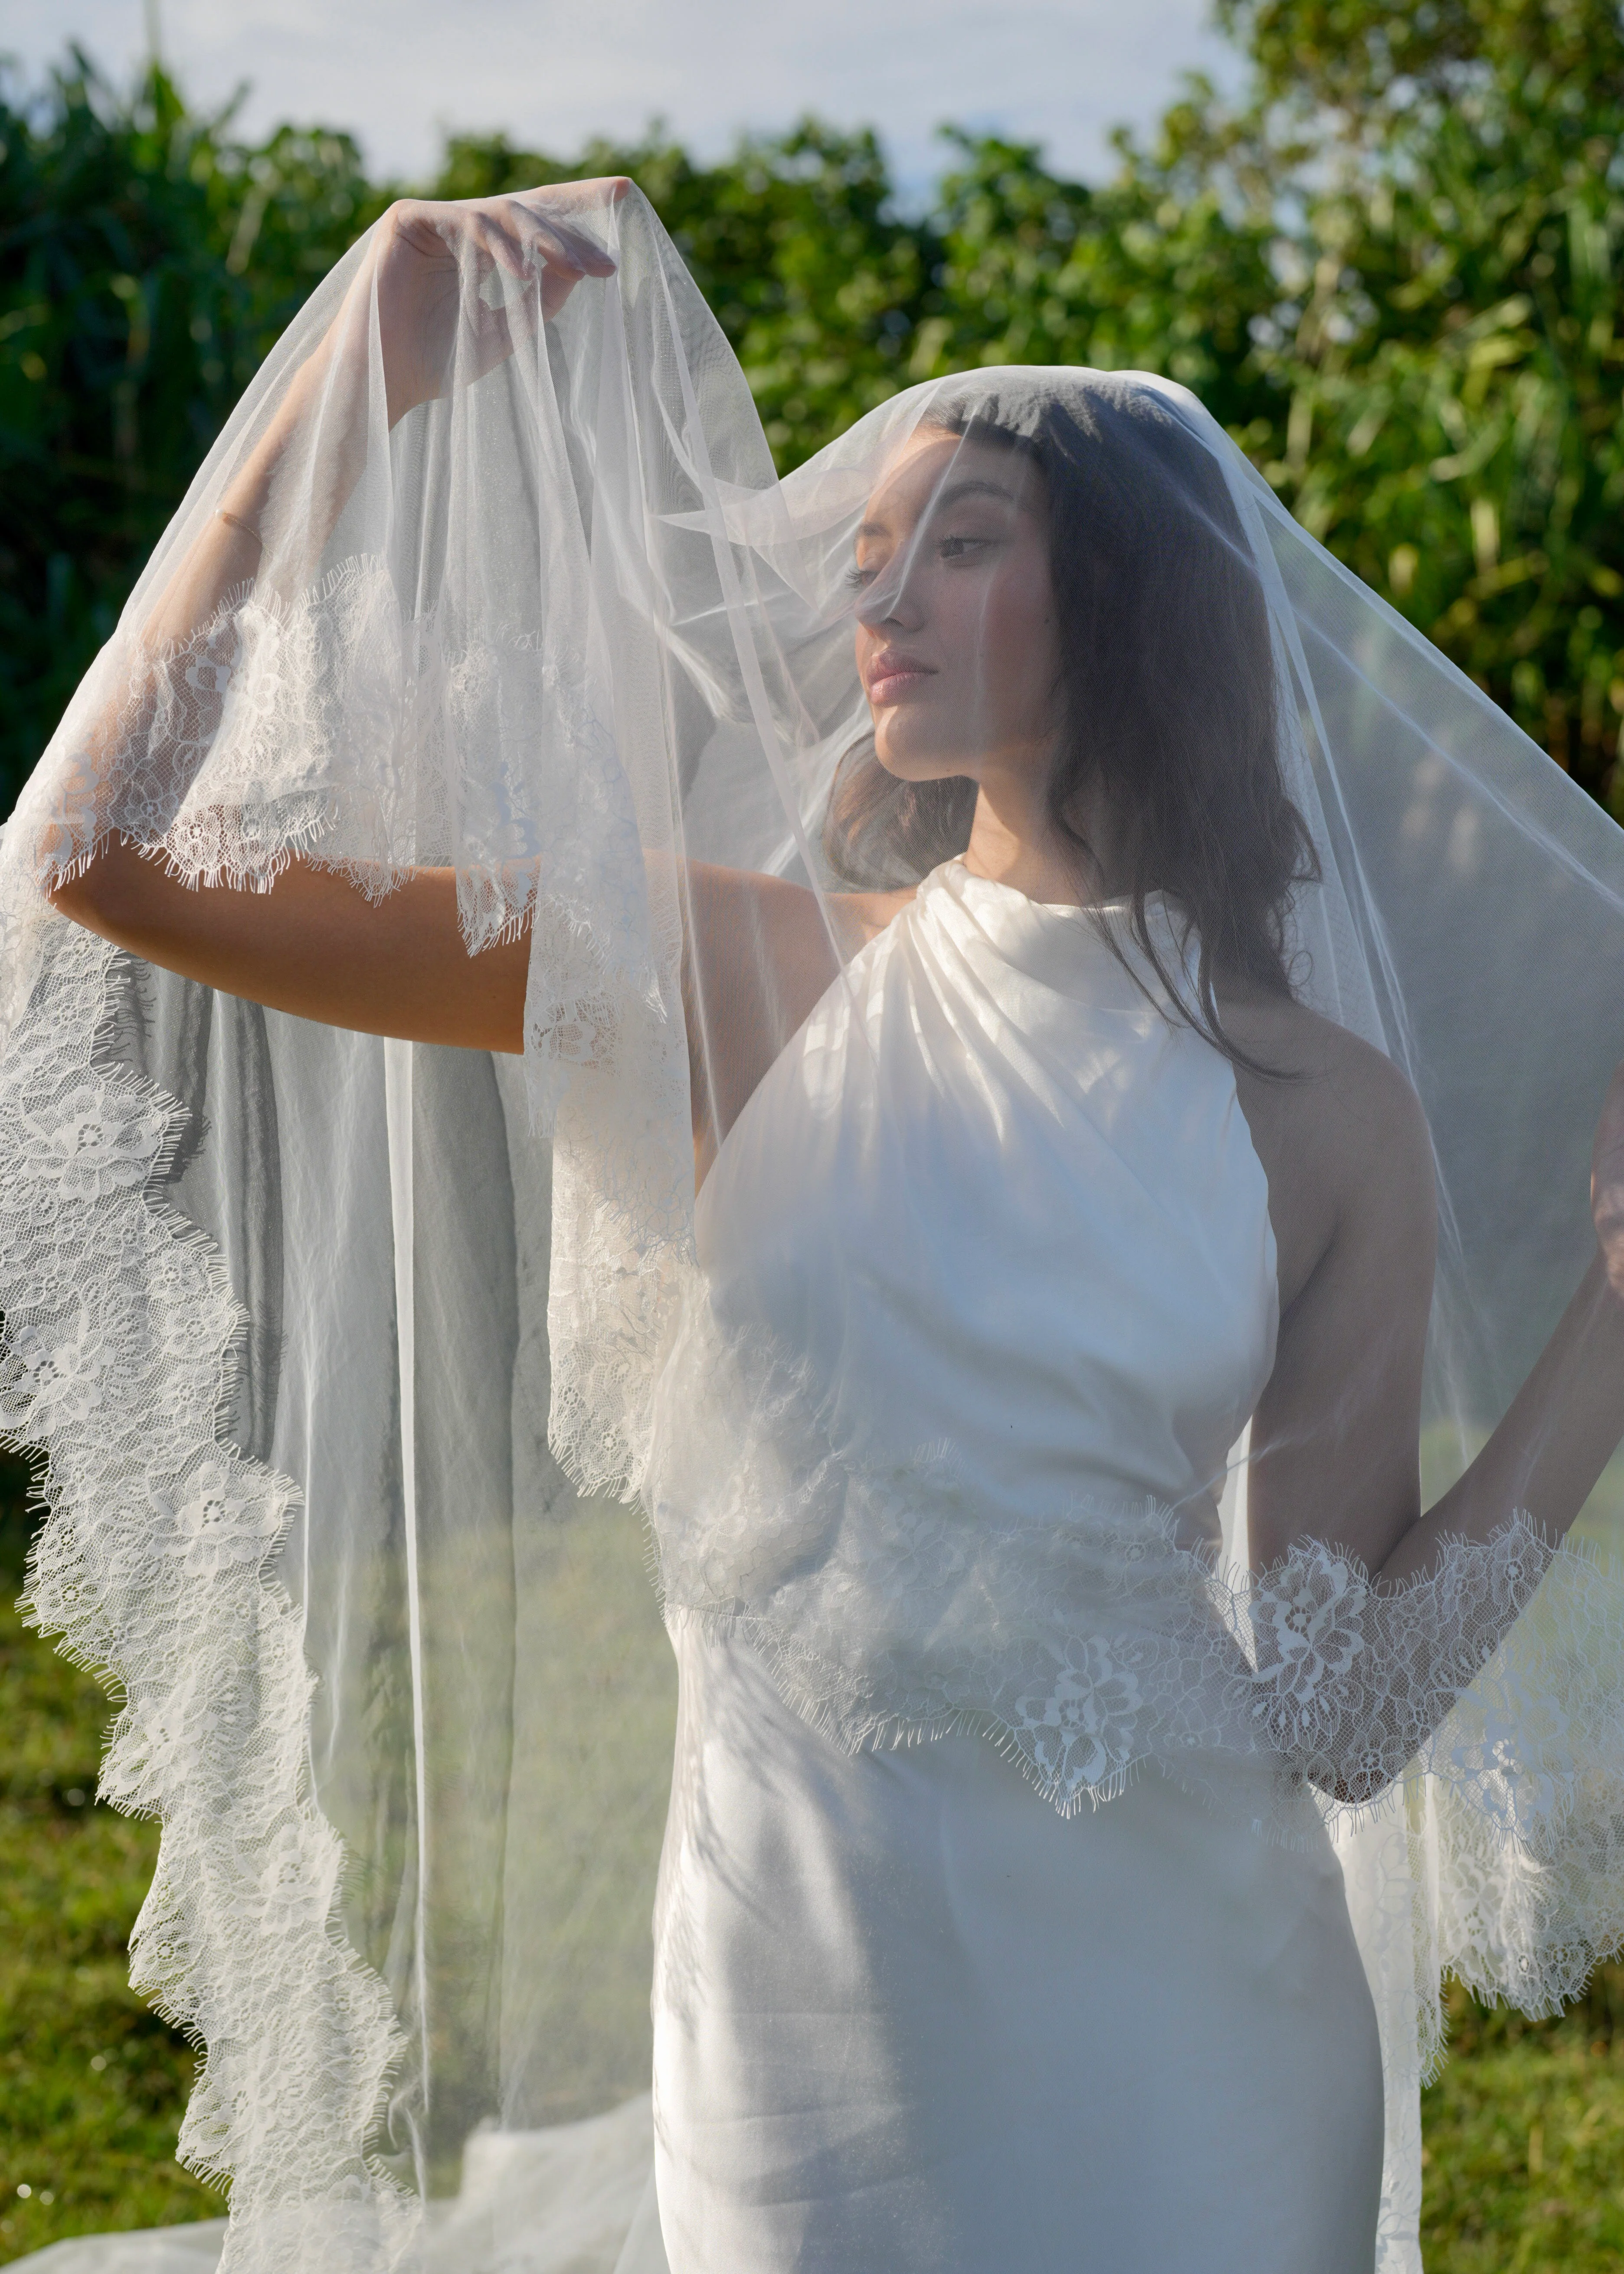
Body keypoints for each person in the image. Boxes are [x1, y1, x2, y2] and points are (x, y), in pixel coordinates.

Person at [9, 180, 1624, 2274]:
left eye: (964, 542)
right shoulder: (737, 976)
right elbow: (105, 848)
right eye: (871, 552)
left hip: (1203, 2052)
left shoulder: (1330, 1117)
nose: (885, 597)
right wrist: (354, 378)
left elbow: (1334, 1699)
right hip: (805, 2032)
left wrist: (1607, 1318)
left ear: (1133, 604)